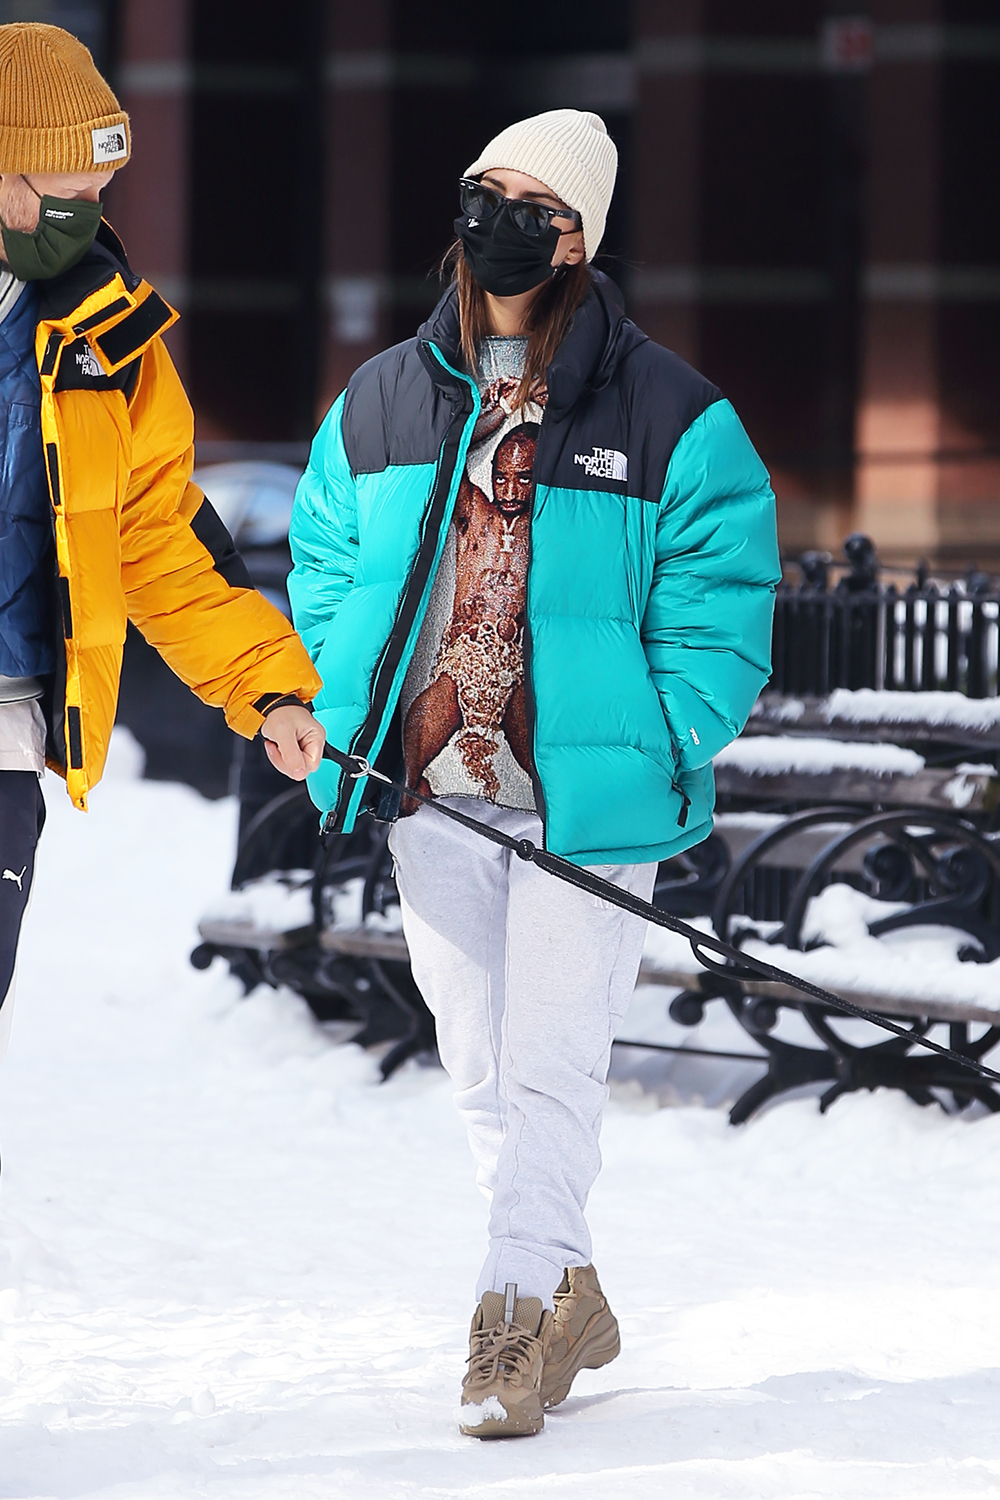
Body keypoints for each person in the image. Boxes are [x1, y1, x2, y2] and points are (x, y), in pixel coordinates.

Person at [289, 108, 780, 1438]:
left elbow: (724, 601)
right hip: (433, 787)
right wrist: (344, 691)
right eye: (483, 192)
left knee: (554, 1058)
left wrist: (656, 733)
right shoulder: (385, 396)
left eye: (535, 203)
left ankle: (509, 1328)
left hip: (583, 800)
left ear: (581, 237)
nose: (501, 219)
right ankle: (567, 1278)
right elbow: (324, 558)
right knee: (480, 1065)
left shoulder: (673, 411)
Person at [0, 24, 325, 1068]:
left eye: (103, 187)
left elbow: (167, 544)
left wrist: (270, 690)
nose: (89, 212)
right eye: (66, 185)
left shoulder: (106, 343)